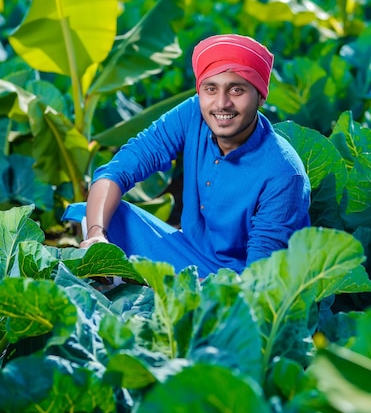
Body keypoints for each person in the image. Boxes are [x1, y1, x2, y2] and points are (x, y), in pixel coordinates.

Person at [63, 34, 311, 278]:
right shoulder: (193, 114)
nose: (221, 103)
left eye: (237, 90)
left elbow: (260, 277)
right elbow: (119, 169)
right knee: (105, 214)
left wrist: (185, 287)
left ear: (260, 97)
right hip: (188, 254)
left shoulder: (285, 173)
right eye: (211, 89)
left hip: (237, 283)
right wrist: (96, 234)